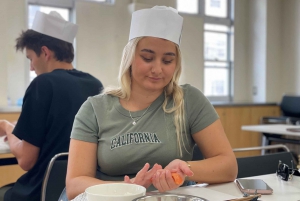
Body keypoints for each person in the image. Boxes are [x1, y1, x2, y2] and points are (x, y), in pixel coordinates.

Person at [66, 6, 237, 200]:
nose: (157, 69)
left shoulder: (189, 101)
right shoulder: (95, 109)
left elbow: (228, 166)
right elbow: (75, 184)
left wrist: (185, 168)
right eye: (147, 58)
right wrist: (128, 189)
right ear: (130, 57)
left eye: (167, 61)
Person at [0, 11, 103, 201]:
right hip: (83, 192)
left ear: (45, 53)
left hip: (41, 192)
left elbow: (26, 160)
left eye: (30, 58)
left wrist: (7, 127)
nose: (31, 67)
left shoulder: (42, 84)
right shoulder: (95, 84)